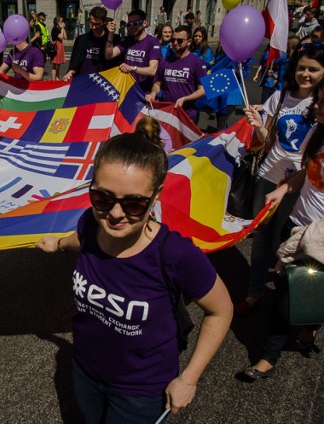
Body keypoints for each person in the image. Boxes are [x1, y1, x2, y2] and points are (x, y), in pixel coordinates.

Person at [35, 116, 232, 423]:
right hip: (85, 371)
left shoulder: (176, 254)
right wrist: (58, 243)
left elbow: (221, 311)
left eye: (134, 204)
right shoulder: (90, 222)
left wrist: (189, 378)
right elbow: (82, 239)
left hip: (141, 392)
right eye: (102, 197)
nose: (114, 214)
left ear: (156, 195)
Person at [242, 70, 324, 381]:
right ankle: (284, 345)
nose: (316, 107)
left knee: (305, 293)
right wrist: (284, 188)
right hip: (297, 225)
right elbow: (305, 171)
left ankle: (287, 345)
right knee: (288, 290)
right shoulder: (319, 132)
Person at [238, 43, 324, 315]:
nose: (305, 74)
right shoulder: (279, 97)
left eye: (313, 69)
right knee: (259, 239)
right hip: (268, 177)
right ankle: (254, 294)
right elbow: (266, 139)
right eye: (301, 67)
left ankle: (289, 300)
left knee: (285, 244)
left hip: (302, 186)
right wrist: (258, 125)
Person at [146, 25, 207, 123]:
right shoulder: (165, 61)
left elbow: (203, 89)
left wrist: (185, 99)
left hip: (188, 115)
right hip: (167, 113)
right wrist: (153, 93)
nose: (175, 43)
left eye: (180, 40)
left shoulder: (197, 63)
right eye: (173, 40)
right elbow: (158, 83)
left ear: (189, 42)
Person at [105, 9, 162, 92]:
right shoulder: (127, 40)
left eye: (135, 24)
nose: (131, 27)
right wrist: (110, 34)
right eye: (129, 25)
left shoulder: (153, 42)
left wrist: (132, 68)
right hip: (126, 89)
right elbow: (109, 55)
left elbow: (152, 70)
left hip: (143, 91)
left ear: (144, 23)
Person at [64, 6, 122, 82]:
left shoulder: (115, 39)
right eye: (92, 23)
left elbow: (118, 64)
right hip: (84, 83)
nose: (94, 27)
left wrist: (110, 35)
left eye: (97, 24)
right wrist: (70, 72)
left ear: (104, 22)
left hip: (105, 84)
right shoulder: (81, 40)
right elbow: (75, 64)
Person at [50, 16, 67, 80]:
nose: (62, 22)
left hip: (60, 45)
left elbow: (65, 37)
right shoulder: (55, 29)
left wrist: (63, 28)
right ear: (57, 22)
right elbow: (60, 37)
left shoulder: (59, 29)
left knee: (58, 64)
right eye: (61, 21)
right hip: (56, 45)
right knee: (55, 64)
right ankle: (53, 80)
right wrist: (62, 28)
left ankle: (57, 78)